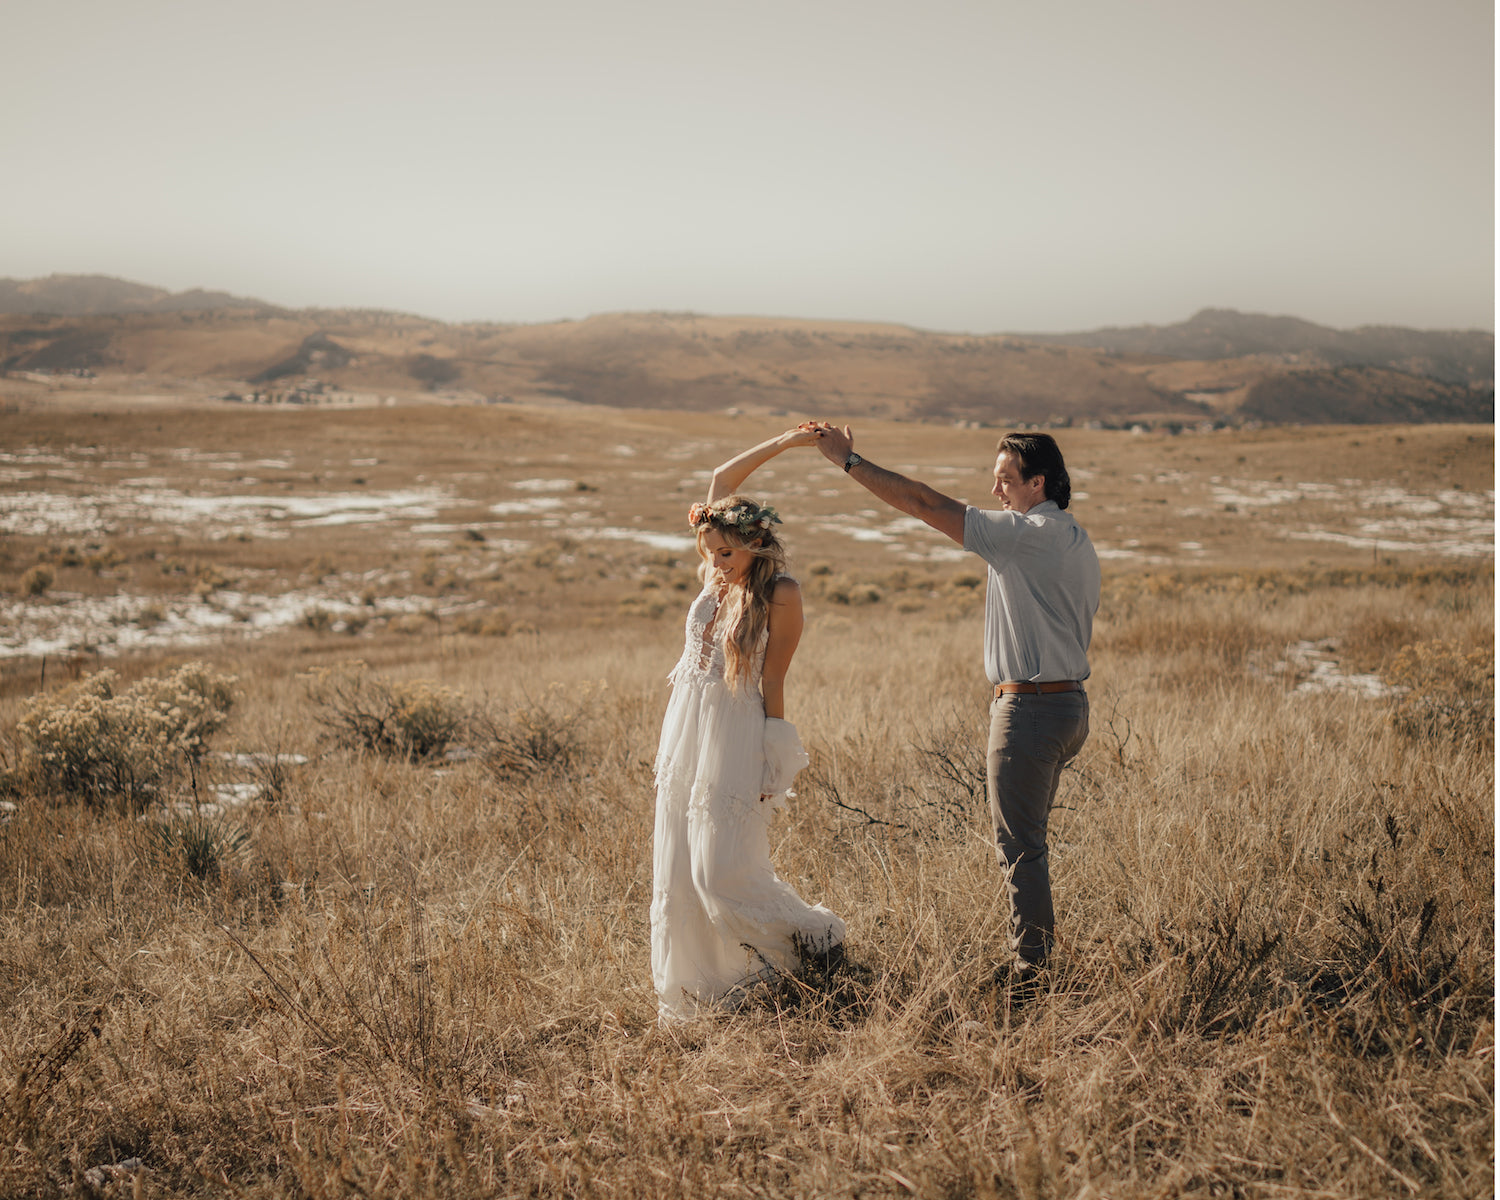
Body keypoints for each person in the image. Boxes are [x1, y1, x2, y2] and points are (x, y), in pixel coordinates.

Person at [807, 423, 1098, 984]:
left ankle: (1032, 974)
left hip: (1030, 710)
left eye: (1006, 481)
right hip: (1068, 706)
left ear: (1037, 483)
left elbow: (921, 503)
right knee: (1028, 842)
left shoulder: (1022, 533)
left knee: (1020, 850)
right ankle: (1034, 960)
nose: (997, 493)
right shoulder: (1074, 536)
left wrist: (849, 462)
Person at [651, 427, 846, 1022]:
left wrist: (772, 757)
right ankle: (707, 991)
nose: (715, 561)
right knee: (681, 869)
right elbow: (720, 480)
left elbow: (774, 681)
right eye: (710, 550)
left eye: (727, 552)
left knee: (720, 871)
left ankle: (819, 940)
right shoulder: (716, 577)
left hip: (734, 729)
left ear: (757, 544)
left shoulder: (781, 594)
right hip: (686, 726)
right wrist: (785, 443)